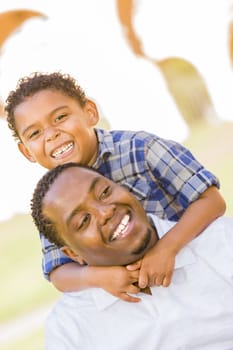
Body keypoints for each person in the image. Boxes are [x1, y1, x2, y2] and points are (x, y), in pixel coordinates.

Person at [5, 72, 225, 301]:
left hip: (200, 268)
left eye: (60, 117)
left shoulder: (141, 148)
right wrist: (97, 277)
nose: (51, 135)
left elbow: (211, 201)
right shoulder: (51, 203)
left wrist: (167, 248)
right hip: (146, 302)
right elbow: (58, 271)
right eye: (35, 133)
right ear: (27, 151)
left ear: (90, 112)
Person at [31, 163, 233, 350]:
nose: (106, 212)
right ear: (73, 254)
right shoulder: (70, 328)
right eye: (84, 220)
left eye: (105, 192)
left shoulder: (222, 242)